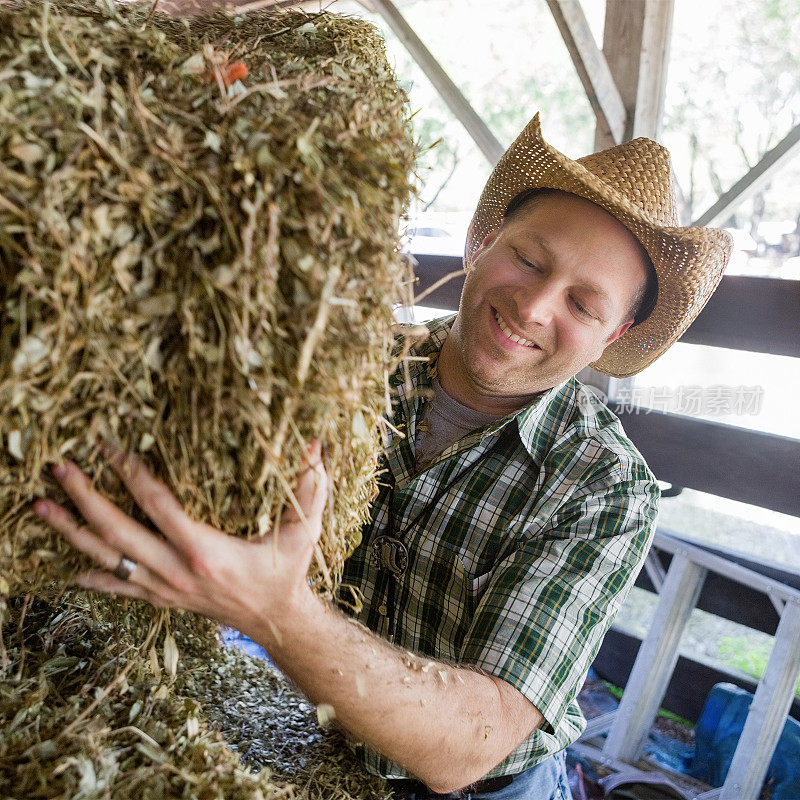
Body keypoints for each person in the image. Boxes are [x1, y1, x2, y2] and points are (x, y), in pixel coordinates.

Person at [34, 114, 731, 799]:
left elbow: (474, 745)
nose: (534, 307)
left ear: (616, 333)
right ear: (482, 241)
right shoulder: (345, 365)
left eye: (583, 303)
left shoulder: (604, 488)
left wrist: (275, 610)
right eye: (527, 258)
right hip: (317, 738)